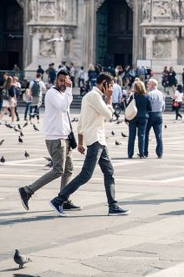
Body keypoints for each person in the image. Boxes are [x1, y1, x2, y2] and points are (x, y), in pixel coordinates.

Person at [49, 72, 130, 216]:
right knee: (86, 174)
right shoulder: (94, 96)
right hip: (95, 140)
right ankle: (59, 199)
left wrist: (80, 141)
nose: (111, 89)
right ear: (103, 83)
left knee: (109, 172)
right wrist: (110, 98)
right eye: (110, 86)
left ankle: (113, 205)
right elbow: (109, 115)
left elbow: (81, 121)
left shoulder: (89, 96)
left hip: (99, 140)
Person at [18, 69, 79, 212]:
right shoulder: (52, 93)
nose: (64, 83)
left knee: (68, 170)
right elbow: (64, 108)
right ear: (56, 80)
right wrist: (70, 90)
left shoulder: (63, 94)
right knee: (58, 170)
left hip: (65, 137)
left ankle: (64, 199)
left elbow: (65, 115)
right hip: (55, 138)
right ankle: (27, 190)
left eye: (66, 80)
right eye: (61, 80)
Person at [126, 81, 152, 159]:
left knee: (131, 135)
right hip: (143, 117)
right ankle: (141, 153)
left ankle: (130, 154)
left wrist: (126, 118)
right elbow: (150, 108)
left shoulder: (132, 97)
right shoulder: (147, 96)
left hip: (133, 117)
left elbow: (128, 108)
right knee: (141, 135)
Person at [145, 79, 165, 158]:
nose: (147, 85)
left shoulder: (150, 94)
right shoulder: (161, 94)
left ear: (152, 85)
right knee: (159, 135)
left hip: (151, 114)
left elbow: (148, 106)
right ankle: (159, 152)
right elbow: (163, 107)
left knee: (146, 134)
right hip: (159, 114)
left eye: (149, 84)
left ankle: (145, 152)